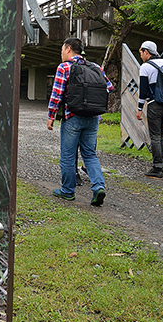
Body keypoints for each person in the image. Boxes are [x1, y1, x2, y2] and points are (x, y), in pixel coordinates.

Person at [46, 37, 114, 206]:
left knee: (68, 155)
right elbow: (110, 87)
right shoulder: (95, 67)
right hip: (93, 118)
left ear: (68, 49)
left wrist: (51, 115)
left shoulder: (65, 67)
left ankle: (67, 191)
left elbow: (57, 94)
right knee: (90, 154)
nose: (61, 53)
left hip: (72, 117)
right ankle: (98, 186)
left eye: (62, 50)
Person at [136, 40, 163, 178]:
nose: (140, 55)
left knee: (155, 136)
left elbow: (143, 90)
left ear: (146, 52)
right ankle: (161, 165)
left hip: (154, 105)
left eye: (141, 52)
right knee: (161, 134)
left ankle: (157, 168)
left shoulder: (145, 66)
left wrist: (140, 108)